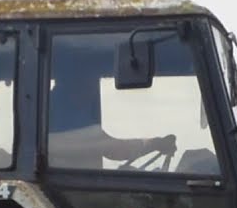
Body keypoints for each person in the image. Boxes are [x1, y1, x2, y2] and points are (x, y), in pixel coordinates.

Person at [47, 67, 176, 170]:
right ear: (76, 80)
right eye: (90, 80)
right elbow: (113, 149)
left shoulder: (63, 105)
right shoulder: (60, 109)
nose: (91, 89)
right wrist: (154, 143)